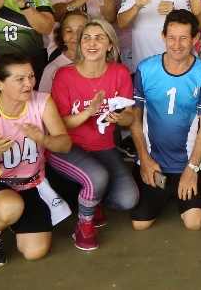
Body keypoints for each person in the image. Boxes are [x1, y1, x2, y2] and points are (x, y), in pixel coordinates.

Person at [0, 52, 71, 267]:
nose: (28, 83)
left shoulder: (42, 101)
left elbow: (65, 145)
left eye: (30, 76)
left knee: (35, 252)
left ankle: (11, 218)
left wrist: (42, 137)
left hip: (29, 183)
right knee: (10, 207)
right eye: (19, 79)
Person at [47, 18, 138, 251]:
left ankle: (93, 200)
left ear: (109, 44)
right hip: (66, 146)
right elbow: (59, 124)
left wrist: (119, 118)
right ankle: (84, 225)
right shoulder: (64, 75)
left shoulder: (119, 72)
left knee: (128, 200)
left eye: (99, 37)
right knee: (96, 176)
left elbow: (129, 117)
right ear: (80, 45)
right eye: (86, 38)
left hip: (103, 146)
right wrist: (89, 112)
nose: (92, 42)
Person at [129, 10, 201, 231]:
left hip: (189, 162)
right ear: (163, 37)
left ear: (195, 39)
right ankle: (167, 190)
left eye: (184, 38)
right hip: (155, 163)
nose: (177, 45)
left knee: (194, 223)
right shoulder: (145, 68)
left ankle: (188, 185)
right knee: (139, 224)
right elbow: (134, 119)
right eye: (171, 37)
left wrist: (192, 169)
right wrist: (144, 159)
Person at [37, 10, 89, 93]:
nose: (75, 36)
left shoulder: (101, 62)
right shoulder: (52, 69)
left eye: (81, 30)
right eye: (69, 31)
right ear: (63, 36)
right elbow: (43, 102)